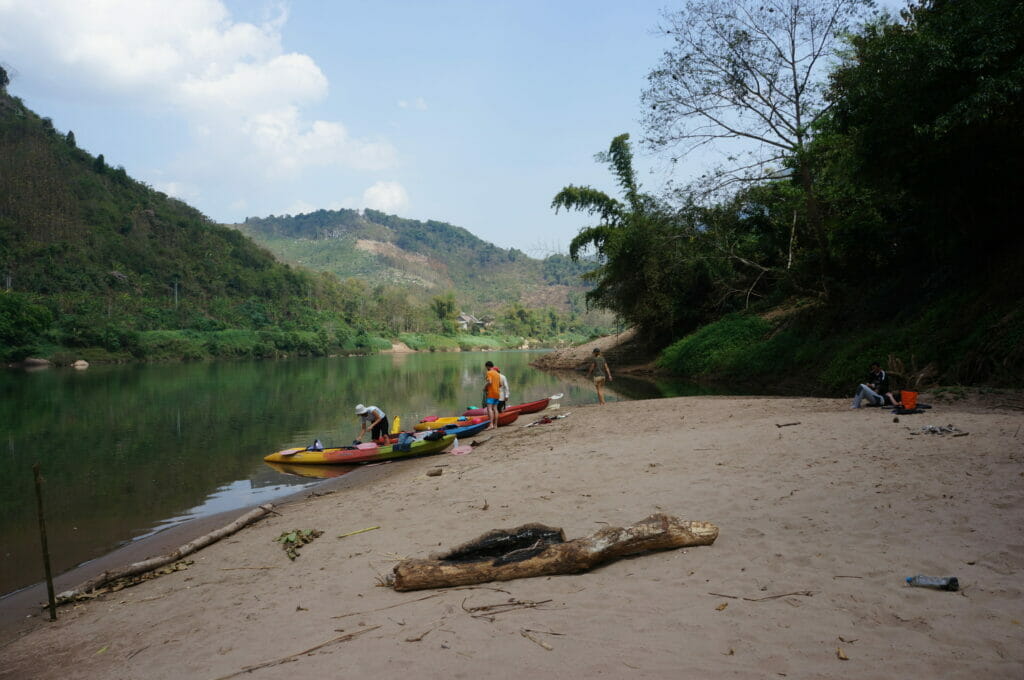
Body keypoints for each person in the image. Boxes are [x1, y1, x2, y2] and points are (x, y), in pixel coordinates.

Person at [483, 361, 501, 429]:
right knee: (495, 409)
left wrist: (485, 387)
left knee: (489, 408)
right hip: (497, 393)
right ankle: (495, 425)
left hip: (491, 393)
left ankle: (491, 424)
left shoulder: (489, 372)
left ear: (487, 366)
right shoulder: (497, 373)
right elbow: (500, 385)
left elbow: (489, 382)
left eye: (486, 367)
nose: (486, 369)